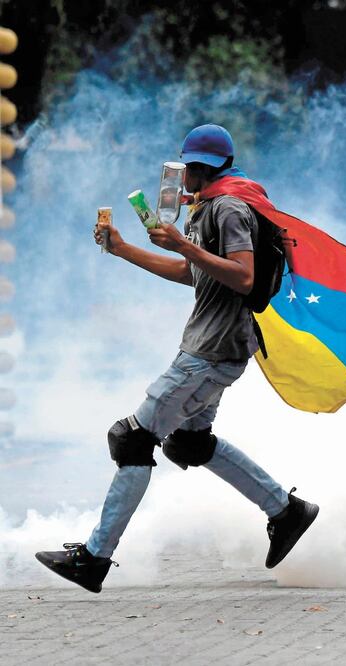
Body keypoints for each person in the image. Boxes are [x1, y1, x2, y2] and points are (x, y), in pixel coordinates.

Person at [34, 124, 318, 593]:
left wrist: (184, 244)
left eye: (186, 165)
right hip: (219, 347)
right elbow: (194, 275)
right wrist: (123, 248)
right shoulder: (212, 206)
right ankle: (287, 512)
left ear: (202, 167)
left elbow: (244, 278)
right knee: (188, 443)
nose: (180, 174)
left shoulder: (228, 208)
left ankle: (94, 558)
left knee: (130, 439)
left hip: (208, 353)